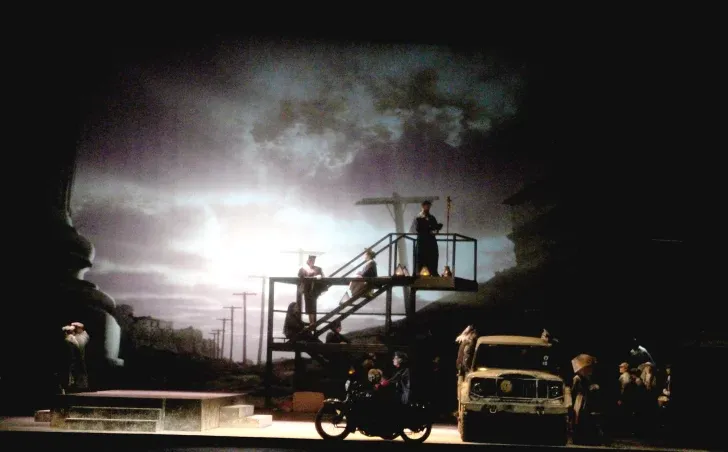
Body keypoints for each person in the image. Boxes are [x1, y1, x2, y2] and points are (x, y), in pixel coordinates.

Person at [409, 200, 443, 276]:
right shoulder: (418, 217)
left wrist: (437, 228)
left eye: (429, 206)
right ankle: (418, 273)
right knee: (421, 258)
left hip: (431, 241)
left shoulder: (432, 217)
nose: (428, 207)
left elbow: (435, 229)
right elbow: (413, 229)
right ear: (423, 206)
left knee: (432, 256)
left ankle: (433, 272)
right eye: (426, 206)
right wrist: (425, 229)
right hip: (422, 241)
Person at [297, 255, 326, 325]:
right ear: (308, 261)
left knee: (312, 305)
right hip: (307, 289)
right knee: (309, 306)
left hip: (314, 290)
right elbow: (300, 276)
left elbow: (322, 276)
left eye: (313, 260)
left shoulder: (318, 269)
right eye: (311, 260)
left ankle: (312, 323)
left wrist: (318, 276)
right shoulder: (303, 269)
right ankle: (311, 323)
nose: (312, 262)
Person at [455, 325, 477, 402]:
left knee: (462, 385)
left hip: (462, 366)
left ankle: (462, 401)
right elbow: (466, 355)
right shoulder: (469, 342)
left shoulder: (466, 341)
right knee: (464, 385)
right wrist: (467, 368)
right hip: (463, 367)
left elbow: (465, 355)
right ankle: (463, 401)